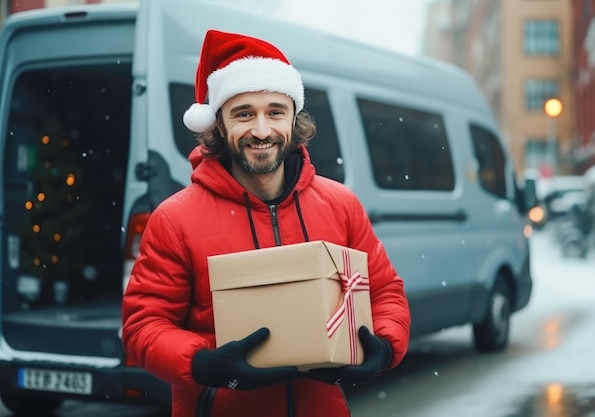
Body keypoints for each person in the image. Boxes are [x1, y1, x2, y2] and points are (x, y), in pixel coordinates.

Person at [122, 29, 411, 417]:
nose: (262, 130)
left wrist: (386, 346)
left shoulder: (340, 204)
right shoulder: (175, 218)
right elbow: (143, 326)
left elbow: (386, 293)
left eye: (275, 111)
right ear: (219, 126)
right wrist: (204, 364)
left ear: (294, 119)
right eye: (244, 114)